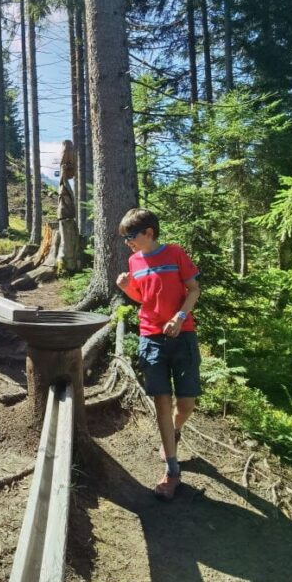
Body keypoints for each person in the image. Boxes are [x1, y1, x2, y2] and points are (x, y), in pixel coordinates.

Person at [116, 207, 201, 500]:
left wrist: (179, 317)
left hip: (183, 335)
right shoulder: (134, 260)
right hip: (150, 336)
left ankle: (174, 430)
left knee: (186, 403)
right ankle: (172, 470)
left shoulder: (175, 253)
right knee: (161, 401)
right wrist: (129, 289)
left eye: (130, 236)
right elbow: (143, 298)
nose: (127, 242)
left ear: (148, 233)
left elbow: (194, 290)